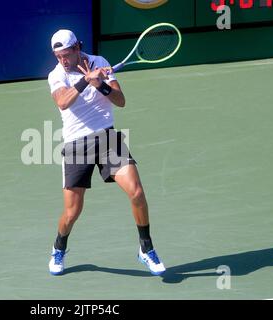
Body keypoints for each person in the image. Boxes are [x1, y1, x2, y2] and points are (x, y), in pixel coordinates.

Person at [47, 29, 165, 276]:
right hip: (76, 145)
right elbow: (62, 101)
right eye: (58, 56)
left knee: (137, 192)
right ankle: (59, 247)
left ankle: (146, 248)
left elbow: (121, 101)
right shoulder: (56, 75)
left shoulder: (100, 63)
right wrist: (85, 80)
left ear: (78, 48)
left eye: (66, 54)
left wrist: (100, 84)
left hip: (107, 138)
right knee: (72, 212)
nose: (62, 60)